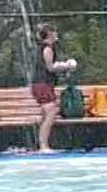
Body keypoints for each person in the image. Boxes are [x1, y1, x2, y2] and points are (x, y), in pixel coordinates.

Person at [33, 23, 78, 154]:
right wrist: (67, 65)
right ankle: (43, 146)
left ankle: (42, 144)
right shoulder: (47, 49)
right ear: (50, 35)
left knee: (46, 115)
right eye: (54, 32)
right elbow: (50, 67)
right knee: (51, 114)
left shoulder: (47, 48)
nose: (57, 34)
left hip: (43, 85)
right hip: (42, 85)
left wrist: (64, 67)